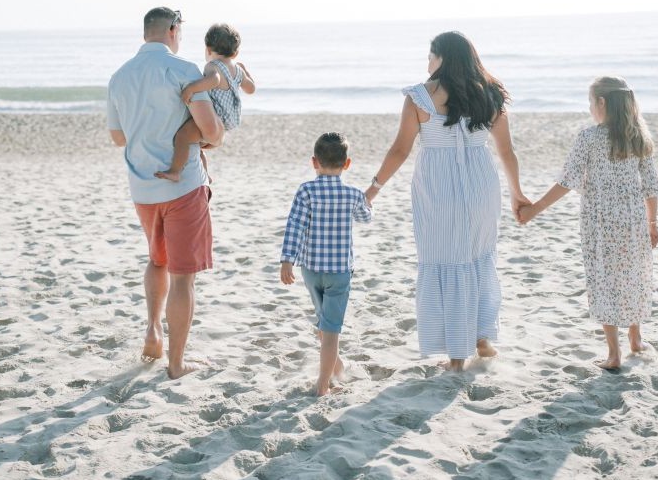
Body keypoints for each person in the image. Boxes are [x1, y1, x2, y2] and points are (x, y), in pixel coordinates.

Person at [364, 31, 529, 372]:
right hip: (481, 185)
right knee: (476, 258)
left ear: (441, 57)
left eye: (430, 56)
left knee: (445, 260)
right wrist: (517, 193)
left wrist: (373, 188)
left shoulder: (420, 97)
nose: (427, 63)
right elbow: (507, 152)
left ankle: (456, 357)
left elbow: (400, 150)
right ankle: (481, 340)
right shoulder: (490, 94)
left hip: (437, 189)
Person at [518, 76, 658, 371]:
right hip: (633, 220)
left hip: (600, 223)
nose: (589, 108)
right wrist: (652, 223)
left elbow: (567, 181)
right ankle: (635, 339)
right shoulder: (639, 136)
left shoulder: (590, 137)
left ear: (601, 103)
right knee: (632, 274)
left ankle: (614, 354)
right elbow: (651, 185)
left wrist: (535, 209)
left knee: (604, 280)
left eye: (590, 102)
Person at [107, 7, 224, 379]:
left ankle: (153, 332)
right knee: (183, 276)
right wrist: (212, 136)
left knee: (157, 260)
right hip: (183, 186)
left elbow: (118, 137)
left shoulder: (120, 76)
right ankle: (176, 363)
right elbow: (211, 132)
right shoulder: (183, 70)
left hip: (142, 187)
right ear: (173, 30)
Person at [279, 132, 373, 395]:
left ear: (314, 162)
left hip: (310, 269)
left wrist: (287, 260)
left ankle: (337, 366)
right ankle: (322, 386)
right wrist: (369, 199)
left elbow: (294, 226)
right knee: (330, 330)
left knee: (324, 321)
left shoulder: (306, 190)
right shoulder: (352, 194)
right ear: (347, 163)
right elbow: (366, 218)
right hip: (339, 272)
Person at [155, 23, 256, 183]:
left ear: (208, 49)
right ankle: (206, 175)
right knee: (196, 147)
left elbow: (214, 80)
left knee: (183, 137)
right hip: (230, 121)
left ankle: (175, 171)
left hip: (214, 118)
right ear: (235, 53)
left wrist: (191, 88)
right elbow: (251, 89)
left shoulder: (213, 65)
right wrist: (246, 73)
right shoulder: (238, 70)